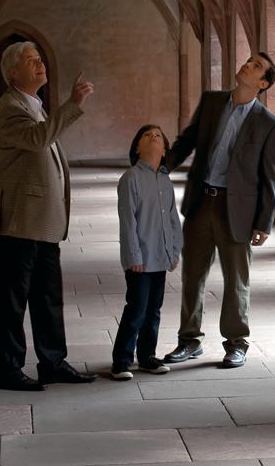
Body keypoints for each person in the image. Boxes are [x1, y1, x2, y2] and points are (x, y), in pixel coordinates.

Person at [0, 41, 96, 391]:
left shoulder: (33, 104)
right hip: (19, 219)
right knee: (13, 299)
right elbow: (37, 140)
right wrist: (73, 106)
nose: (40, 64)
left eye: (40, 59)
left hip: (40, 220)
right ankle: (7, 368)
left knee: (48, 296)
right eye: (31, 61)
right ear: (12, 72)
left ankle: (52, 361)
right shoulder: (9, 108)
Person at [162, 53, 275, 369]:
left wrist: (264, 222)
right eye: (248, 60)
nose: (246, 64)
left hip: (238, 210)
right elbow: (187, 140)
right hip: (202, 201)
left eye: (256, 66)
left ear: (263, 83)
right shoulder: (213, 103)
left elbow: (272, 176)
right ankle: (189, 340)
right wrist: (160, 168)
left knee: (236, 280)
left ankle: (236, 343)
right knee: (193, 276)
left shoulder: (268, 124)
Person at [110, 125, 183, 380]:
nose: (153, 137)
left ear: (164, 150)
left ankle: (147, 356)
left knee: (154, 309)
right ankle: (121, 360)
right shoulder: (131, 178)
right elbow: (127, 221)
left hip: (160, 257)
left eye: (158, 136)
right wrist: (133, 257)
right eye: (146, 135)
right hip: (140, 259)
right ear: (137, 148)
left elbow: (173, 220)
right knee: (137, 308)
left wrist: (175, 251)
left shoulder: (165, 180)